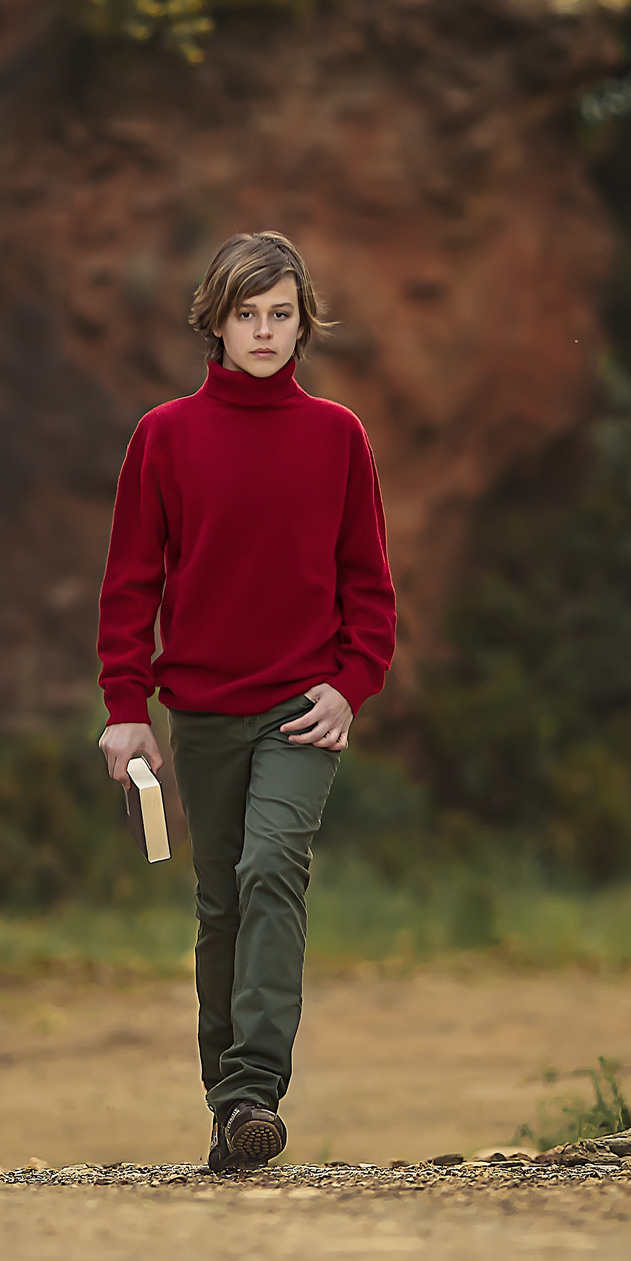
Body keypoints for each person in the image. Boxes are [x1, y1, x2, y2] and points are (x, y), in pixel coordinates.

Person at [95, 230, 397, 1174]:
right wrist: (126, 704)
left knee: (273, 869)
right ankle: (230, 1115)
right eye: (246, 314)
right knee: (220, 903)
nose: (264, 332)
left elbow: (370, 591)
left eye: (281, 314)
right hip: (201, 710)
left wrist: (350, 688)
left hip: (301, 708)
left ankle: (256, 1087)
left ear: (304, 323)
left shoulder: (338, 436)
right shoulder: (165, 436)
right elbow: (129, 584)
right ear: (214, 323)